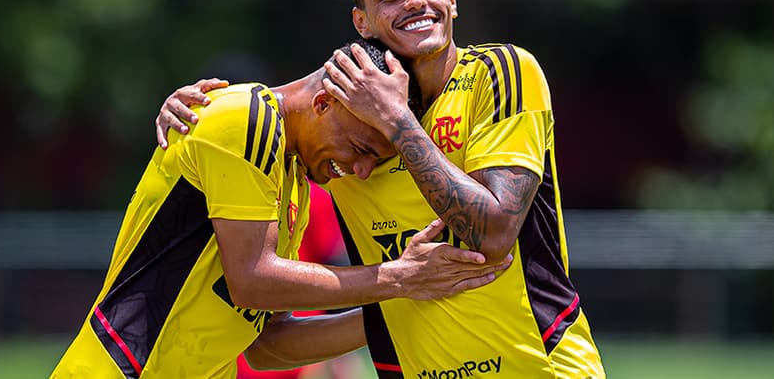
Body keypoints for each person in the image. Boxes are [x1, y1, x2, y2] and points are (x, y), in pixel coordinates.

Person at [157, 0, 605, 379]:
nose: (414, 2)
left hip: (541, 369)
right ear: (362, 22)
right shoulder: (341, 137)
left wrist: (397, 120)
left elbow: (492, 233)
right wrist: (205, 107)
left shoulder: (500, 71)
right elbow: (269, 346)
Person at [51, 38, 508, 379]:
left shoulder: (292, 183)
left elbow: (270, 346)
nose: (362, 170)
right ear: (325, 101)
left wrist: (410, 302)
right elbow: (253, 281)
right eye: (360, 147)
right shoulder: (248, 118)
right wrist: (398, 277)